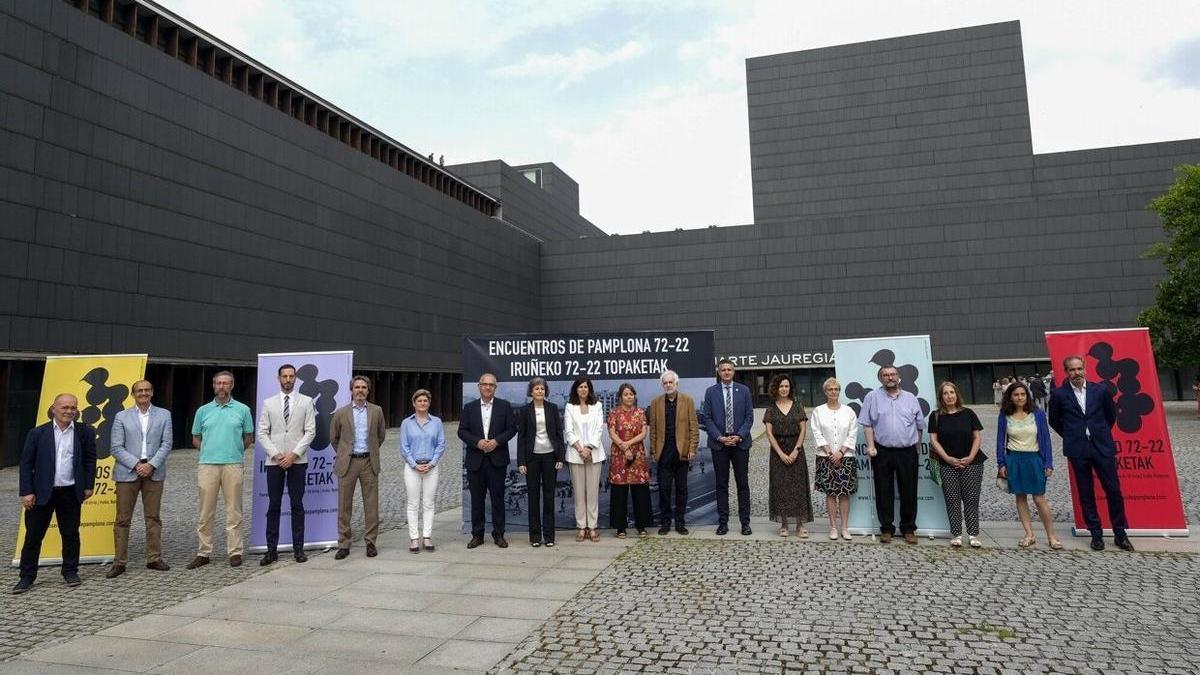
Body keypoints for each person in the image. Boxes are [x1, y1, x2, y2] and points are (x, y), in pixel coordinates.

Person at [1048, 356, 1133, 552]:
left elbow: (1110, 416)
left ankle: (1120, 533)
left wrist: (1098, 432)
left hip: (1101, 446)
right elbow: (1054, 420)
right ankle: (1096, 534)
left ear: (1085, 369)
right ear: (1066, 371)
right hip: (1078, 449)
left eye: (1079, 369)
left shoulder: (1100, 390)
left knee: (1113, 490)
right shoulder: (1059, 394)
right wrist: (1072, 434)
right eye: (1072, 370)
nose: (1076, 373)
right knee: (1086, 493)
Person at [14, 394, 96, 594]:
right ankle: (27, 576)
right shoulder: (37, 433)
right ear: (53, 408)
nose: (69, 411)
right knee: (33, 536)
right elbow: (26, 464)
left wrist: (88, 485)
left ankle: (70, 571)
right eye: (65, 407)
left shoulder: (84, 432)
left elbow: (89, 460)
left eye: (73, 408)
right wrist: (26, 491)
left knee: (70, 534)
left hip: (70, 492)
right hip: (41, 492)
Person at [188, 371, 254, 569]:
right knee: (205, 511)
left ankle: (235, 552)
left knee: (234, 510)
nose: (222, 387)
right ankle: (204, 552)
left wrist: (235, 451)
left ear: (232, 386)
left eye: (226, 383)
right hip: (208, 465)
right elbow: (195, 437)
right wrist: (208, 451)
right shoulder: (203, 411)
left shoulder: (243, 410)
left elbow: (248, 437)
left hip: (233, 464)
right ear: (213, 386)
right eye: (219, 383)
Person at [108, 380, 173, 578]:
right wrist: (137, 465)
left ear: (152, 392)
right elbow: (116, 447)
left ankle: (154, 558)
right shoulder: (122, 416)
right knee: (122, 519)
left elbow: (167, 443)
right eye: (139, 390)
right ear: (133, 394)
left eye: (146, 390)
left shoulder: (164, 415)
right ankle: (119, 562)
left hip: (154, 470)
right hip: (128, 472)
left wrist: (151, 465)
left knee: (153, 517)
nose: (143, 393)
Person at [256, 364, 316, 566]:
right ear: (278, 378)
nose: (288, 379)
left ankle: (298, 549)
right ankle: (271, 550)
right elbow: (262, 432)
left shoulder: (306, 402)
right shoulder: (269, 403)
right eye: (284, 376)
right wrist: (276, 454)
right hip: (275, 461)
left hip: (297, 460)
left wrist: (294, 454)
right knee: (273, 505)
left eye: (291, 376)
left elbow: (310, 431)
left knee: (297, 505)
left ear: (296, 378)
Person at [858, 364, 925, 544]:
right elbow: (867, 424)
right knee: (883, 490)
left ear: (899, 377)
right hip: (882, 451)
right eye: (885, 375)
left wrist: (915, 446)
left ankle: (908, 528)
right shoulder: (872, 397)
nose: (889, 377)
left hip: (907, 452)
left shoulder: (911, 398)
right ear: (881, 378)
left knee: (909, 490)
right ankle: (886, 528)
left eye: (892, 374)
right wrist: (871, 446)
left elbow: (919, 427)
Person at [996, 382, 1062, 550]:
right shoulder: (1005, 415)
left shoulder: (1037, 414)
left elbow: (1045, 439)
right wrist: (1001, 463)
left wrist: (1048, 462)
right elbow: (1000, 440)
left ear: (1028, 396)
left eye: (1023, 394)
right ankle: (1029, 534)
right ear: (1010, 397)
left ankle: (1051, 536)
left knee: (1039, 498)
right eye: (1016, 394)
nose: (1020, 397)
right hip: (1014, 459)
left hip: (1034, 459)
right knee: (1020, 498)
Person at [330, 375, 387, 559]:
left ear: (368, 390)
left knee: (371, 505)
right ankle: (344, 543)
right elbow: (334, 438)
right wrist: (345, 452)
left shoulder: (377, 411)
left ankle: (370, 542)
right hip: (348, 462)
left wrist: (371, 451)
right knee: (344, 504)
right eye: (357, 387)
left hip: (369, 462)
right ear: (351, 390)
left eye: (363, 387)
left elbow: (381, 435)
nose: (360, 390)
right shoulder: (341, 413)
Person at [459, 373, 517, 549]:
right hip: (475, 460)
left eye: (491, 384)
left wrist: (496, 441)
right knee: (477, 499)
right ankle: (477, 535)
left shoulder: (504, 406)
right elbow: (462, 431)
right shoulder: (469, 408)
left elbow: (512, 429)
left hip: (497, 460)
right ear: (479, 386)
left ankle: (499, 534)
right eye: (484, 384)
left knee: (498, 499)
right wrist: (477, 442)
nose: (487, 387)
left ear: (495, 388)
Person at [700, 359, 754, 535]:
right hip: (719, 445)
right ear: (718, 372)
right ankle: (723, 522)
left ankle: (745, 523)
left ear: (734, 371)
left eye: (729, 369)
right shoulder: (710, 392)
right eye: (723, 370)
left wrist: (738, 436)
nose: (726, 372)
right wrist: (720, 437)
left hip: (740, 444)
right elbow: (706, 418)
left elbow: (749, 417)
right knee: (721, 485)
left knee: (742, 484)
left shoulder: (744, 391)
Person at [928, 381, 985, 548]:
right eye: (945, 393)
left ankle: (973, 534)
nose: (949, 396)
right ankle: (957, 533)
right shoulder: (936, 415)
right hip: (947, 464)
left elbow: (977, 437)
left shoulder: (969, 413)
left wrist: (970, 456)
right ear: (941, 397)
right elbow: (934, 440)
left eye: (951, 392)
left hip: (972, 463)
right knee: (952, 499)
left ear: (956, 394)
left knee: (971, 499)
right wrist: (946, 458)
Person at [647, 370, 699, 536]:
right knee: (664, 490)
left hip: (681, 452)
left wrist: (692, 448)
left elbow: (694, 427)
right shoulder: (655, 403)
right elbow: (653, 429)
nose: (668, 385)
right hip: (664, 453)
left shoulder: (688, 401)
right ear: (662, 385)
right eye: (665, 383)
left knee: (682, 489)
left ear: (676, 384)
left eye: (671, 382)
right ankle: (665, 522)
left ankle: (680, 523)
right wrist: (654, 451)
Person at [517, 377, 566, 547]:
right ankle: (535, 537)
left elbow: (560, 435)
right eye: (536, 389)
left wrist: (560, 457)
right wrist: (521, 461)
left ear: (546, 392)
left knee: (549, 496)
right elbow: (521, 438)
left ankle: (549, 536)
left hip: (550, 457)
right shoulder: (524, 411)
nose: (540, 391)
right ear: (531, 392)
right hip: (532, 458)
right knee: (533, 498)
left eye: (542, 389)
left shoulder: (552, 409)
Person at [810, 377, 858, 541]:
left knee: (844, 493)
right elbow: (816, 432)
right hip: (826, 457)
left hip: (846, 457)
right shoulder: (818, 411)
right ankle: (832, 527)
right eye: (830, 389)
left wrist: (841, 452)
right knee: (830, 493)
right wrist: (830, 452)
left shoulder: (849, 411)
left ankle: (844, 527)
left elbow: (853, 432)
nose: (833, 392)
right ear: (825, 392)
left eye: (836, 389)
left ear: (839, 391)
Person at [764, 374, 812, 538]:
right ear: (775, 388)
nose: (784, 389)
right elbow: (769, 434)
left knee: (798, 487)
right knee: (781, 487)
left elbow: (803, 430)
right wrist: (780, 453)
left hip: (796, 450)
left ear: (790, 389)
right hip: (777, 452)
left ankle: (800, 525)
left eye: (786, 386)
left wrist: (795, 450)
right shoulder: (770, 409)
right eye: (781, 386)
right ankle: (784, 524)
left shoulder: (798, 406)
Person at [400, 389, 445, 553]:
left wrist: (432, 463)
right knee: (412, 503)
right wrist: (414, 464)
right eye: (419, 401)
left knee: (428, 503)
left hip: (431, 467)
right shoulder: (406, 423)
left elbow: (441, 444)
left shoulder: (437, 422)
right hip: (412, 468)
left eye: (425, 401)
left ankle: (427, 536)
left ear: (429, 403)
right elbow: (404, 447)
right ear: (414, 403)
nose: (422, 403)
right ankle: (414, 538)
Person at [564, 377, 606, 542]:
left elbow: (598, 429)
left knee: (592, 492)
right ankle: (581, 527)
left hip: (594, 454)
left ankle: (592, 527)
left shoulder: (597, 406)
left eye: (586, 387)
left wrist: (589, 448)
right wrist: (581, 449)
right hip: (576, 455)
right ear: (576, 389)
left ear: (590, 389)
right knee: (579, 493)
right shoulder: (569, 407)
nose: (583, 389)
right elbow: (568, 431)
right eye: (580, 386)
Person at [607, 383, 651, 538]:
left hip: (637, 455)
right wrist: (624, 447)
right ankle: (620, 528)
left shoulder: (640, 412)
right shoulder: (614, 413)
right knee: (619, 492)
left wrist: (628, 444)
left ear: (634, 396)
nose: (628, 397)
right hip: (619, 456)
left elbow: (643, 433)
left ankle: (641, 526)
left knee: (640, 492)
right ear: (620, 397)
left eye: (631, 394)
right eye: (625, 394)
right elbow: (611, 433)